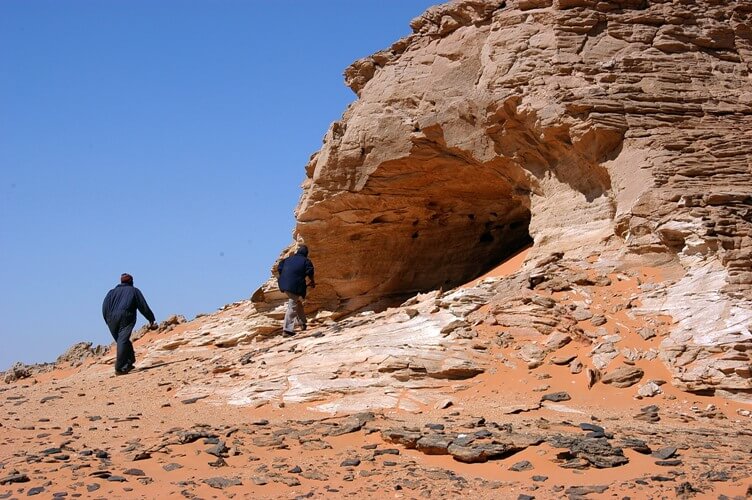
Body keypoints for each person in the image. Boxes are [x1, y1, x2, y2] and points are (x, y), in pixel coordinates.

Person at [102, 273, 157, 375]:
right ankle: (119, 368)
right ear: (131, 281)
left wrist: (107, 319)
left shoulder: (111, 292)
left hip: (110, 318)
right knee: (122, 340)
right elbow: (143, 306)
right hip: (126, 317)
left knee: (122, 340)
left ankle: (129, 362)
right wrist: (151, 318)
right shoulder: (134, 291)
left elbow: (104, 306)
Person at [277, 245, 315, 337]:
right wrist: (312, 281)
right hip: (294, 285)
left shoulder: (287, 259)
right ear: (306, 254)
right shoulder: (306, 261)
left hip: (283, 283)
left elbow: (279, 267)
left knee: (297, 302)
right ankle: (287, 330)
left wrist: (286, 276)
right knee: (292, 305)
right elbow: (310, 272)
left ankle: (302, 323)